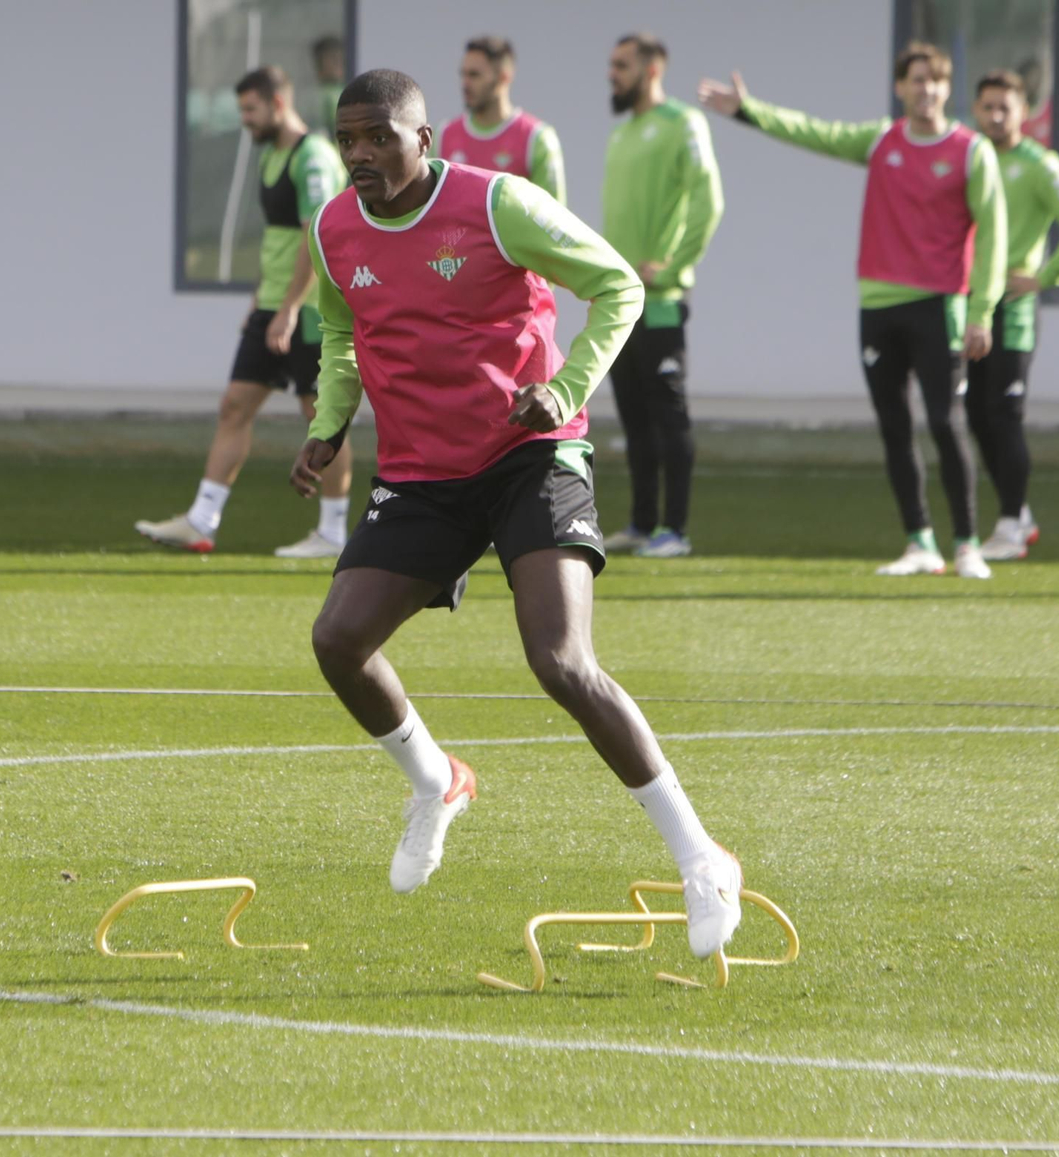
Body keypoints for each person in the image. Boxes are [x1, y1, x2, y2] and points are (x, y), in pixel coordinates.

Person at [289, 69, 744, 961]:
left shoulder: (499, 204)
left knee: (562, 662)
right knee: (338, 641)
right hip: (422, 472)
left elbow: (619, 286)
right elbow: (343, 333)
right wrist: (328, 421)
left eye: (379, 136)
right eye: (348, 140)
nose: (360, 155)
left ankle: (703, 857)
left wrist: (564, 387)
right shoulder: (333, 229)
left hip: (530, 452)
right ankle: (437, 781)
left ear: (425, 137)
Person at [699, 42, 1006, 579]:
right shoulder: (881, 140)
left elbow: (995, 237)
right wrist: (749, 111)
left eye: (935, 81)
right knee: (893, 426)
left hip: (941, 306)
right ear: (900, 88)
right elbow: (815, 131)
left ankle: (966, 545)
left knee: (944, 421)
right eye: (916, 79)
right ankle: (919, 543)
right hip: (878, 306)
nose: (926, 89)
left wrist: (981, 311)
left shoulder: (971, 150)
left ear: (946, 88)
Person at [136, 66, 353, 558]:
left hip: (311, 310)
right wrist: (260, 302)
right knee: (234, 406)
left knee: (321, 415)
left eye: (251, 110)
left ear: (278, 103)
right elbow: (277, 241)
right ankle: (201, 521)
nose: (245, 121)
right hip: (273, 305)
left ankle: (335, 533)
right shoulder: (270, 157)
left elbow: (315, 234)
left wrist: (291, 309)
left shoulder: (313, 155)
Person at [969, 69, 1059, 561]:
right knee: (976, 416)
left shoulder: (1038, 163)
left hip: (1015, 310)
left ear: (1024, 113)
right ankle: (1018, 514)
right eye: (988, 107)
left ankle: (1009, 526)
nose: (997, 116)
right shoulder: (972, 158)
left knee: (1005, 414)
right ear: (976, 110)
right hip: (973, 306)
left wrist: (1046, 277)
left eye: (1006, 108)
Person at [600, 34, 724, 558]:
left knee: (669, 415)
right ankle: (642, 523)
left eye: (622, 65)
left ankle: (675, 530)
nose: (612, 74)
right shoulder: (621, 136)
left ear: (652, 69)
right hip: (620, 305)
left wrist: (674, 264)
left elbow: (709, 199)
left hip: (663, 301)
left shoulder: (683, 123)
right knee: (633, 417)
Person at [435, 36, 565, 204]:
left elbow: (552, 218)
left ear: (504, 77)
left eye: (475, 75)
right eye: (463, 74)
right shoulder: (443, 136)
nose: (465, 83)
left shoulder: (536, 138)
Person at [310, 35, 347, 139]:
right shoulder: (323, 95)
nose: (339, 63)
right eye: (334, 60)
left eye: (340, 59)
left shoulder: (345, 90)